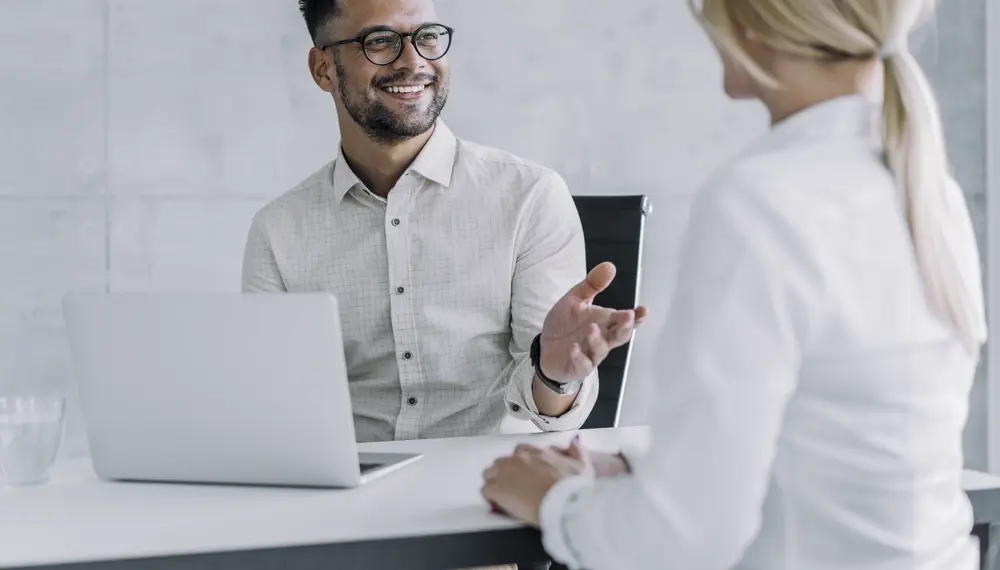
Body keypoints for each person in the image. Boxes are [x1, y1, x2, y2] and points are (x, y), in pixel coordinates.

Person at [481, 0, 988, 568]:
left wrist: (555, 499)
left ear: (752, 22)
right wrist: (649, 479)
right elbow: (835, 442)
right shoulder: (928, 189)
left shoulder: (759, 203)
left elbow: (683, 540)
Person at [241, 0, 647, 444]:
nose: (414, 61)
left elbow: (551, 415)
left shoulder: (529, 196)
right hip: (345, 492)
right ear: (323, 69)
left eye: (428, 36)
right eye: (380, 41)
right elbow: (274, 408)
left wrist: (552, 375)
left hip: (488, 489)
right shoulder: (278, 232)